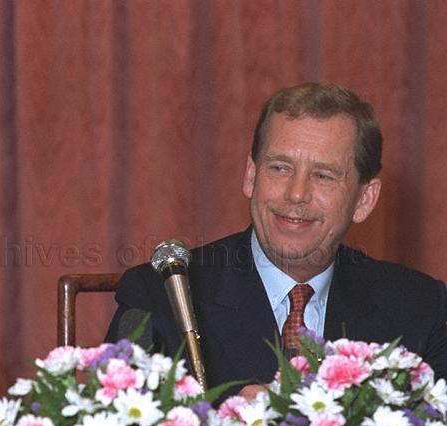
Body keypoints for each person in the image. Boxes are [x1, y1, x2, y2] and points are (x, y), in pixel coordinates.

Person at [106, 82, 447, 398]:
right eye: (280, 168)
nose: (296, 193)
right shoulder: (163, 294)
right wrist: (223, 420)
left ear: (364, 200)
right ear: (251, 177)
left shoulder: (419, 309)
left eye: (323, 176)